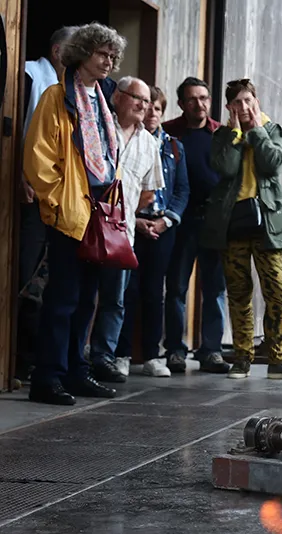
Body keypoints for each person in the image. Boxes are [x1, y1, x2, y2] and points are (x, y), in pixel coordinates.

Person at [23, 23, 127, 405]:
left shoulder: (103, 97)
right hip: (71, 208)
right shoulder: (55, 96)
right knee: (63, 297)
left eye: (113, 56)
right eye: (103, 54)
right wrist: (56, 202)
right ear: (82, 54)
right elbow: (38, 157)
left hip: (100, 207)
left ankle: (75, 371)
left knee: (88, 298)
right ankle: (47, 377)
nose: (109, 61)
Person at [205, 79, 282, 381]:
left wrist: (256, 131)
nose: (244, 107)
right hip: (232, 222)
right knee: (238, 291)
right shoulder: (223, 135)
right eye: (237, 103)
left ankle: (276, 358)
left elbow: (273, 163)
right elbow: (226, 168)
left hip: (268, 223)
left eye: (248, 100)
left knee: (278, 291)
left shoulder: (273, 130)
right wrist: (236, 133)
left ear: (256, 101)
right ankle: (243, 357)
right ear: (229, 107)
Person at [89, 76, 165, 384]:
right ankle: (73, 357)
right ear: (118, 97)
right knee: (81, 297)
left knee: (114, 300)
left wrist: (121, 215)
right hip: (86, 226)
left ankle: (102, 357)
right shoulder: (98, 127)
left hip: (122, 235)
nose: (143, 106)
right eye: (137, 98)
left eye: (147, 102)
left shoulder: (149, 141)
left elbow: (148, 192)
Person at [115, 85, 189, 377]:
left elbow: (182, 190)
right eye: (147, 107)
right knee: (126, 290)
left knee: (154, 292)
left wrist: (166, 220)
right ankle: (120, 353)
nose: (151, 113)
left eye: (157, 108)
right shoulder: (129, 139)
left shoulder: (173, 146)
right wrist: (136, 220)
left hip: (161, 228)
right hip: (131, 224)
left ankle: (151, 355)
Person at [17, 25, 77, 382]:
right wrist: (23, 175)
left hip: (64, 199)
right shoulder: (29, 74)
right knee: (27, 276)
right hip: (31, 193)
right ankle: (21, 358)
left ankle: (45, 358)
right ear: (57, 51)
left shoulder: (77, 91)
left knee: (53, 280)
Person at [162, 77, 231, 375]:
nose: (199, 104)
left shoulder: (221, 133)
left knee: (215, 288)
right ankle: (175, 350)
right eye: (192, 99)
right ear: (181, 104)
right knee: (176, 287)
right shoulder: (168, 133)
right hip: (180, 221)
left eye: (203, 98)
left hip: (214, 221)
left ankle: (211, 351)